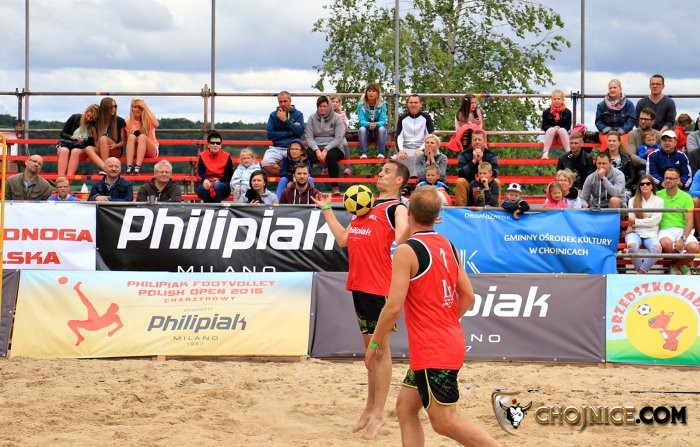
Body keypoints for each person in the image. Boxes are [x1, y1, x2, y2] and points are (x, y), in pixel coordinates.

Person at [364, 186, 501, 447]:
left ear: (409, 212)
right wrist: (446, 321)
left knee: (445, 422)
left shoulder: (406, 251)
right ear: (437, 216)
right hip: (446, 340)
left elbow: (393, 307)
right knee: (405, 408)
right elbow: (468, 296)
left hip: (432, 349)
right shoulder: (449, 245)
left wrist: (374, 343)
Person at [312, 160, 410, 440]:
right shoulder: (364, 205)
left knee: (381, 352)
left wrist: (414, 224)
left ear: (399, 181)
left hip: (380, 289)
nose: (380, 173)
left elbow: (402, 237)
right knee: (370, 353)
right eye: (381, 170)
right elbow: (344, 240)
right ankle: (369, 408)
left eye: (387, 172)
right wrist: (327, 210)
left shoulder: (396, 208)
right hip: (359, 286)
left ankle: (378, 413)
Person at [657, 168, 699, 275]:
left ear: (678, 180)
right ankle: (682, 266)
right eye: (666, 178)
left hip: (683, 230)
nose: (668, 180)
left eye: (672, 178)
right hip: (665, 230)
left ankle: (675, 266)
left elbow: (690, 222)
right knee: (666, 244)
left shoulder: (686, 197)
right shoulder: (657, 195)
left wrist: (683, 239)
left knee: (694, 248)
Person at [305, 95, 345, 195]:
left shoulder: (337, 117)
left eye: (324, 106)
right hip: (316, 145)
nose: (322, 108)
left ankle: (335, 186)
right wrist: (317, 150)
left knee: (331, 156)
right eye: (319, 106)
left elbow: (339, 137)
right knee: (307, 156)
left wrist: (326, 149)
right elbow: (309, 137)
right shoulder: (312, 118)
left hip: (334, 146)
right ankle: (307, 185)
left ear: (329, 106)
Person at [624, 175, 663, 274]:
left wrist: (636, 221)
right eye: (642, 184)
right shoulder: (632, 200)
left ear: (652, 186)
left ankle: (640, 272)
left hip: (651, 233)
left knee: (657, 250)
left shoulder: (659, 201)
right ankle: (641, 272)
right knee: (632, 247)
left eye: (647, 184)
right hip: (635, 232)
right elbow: (631, 219)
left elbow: (655, 221)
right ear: (639, 186)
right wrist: (646, 221)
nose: (645, 186)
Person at [263, 91, 305, 175]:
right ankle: (287, 175)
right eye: (280, 102)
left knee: (298, 165)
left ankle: (290, 177)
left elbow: (299, 132)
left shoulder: (298, 114)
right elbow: (269, 135)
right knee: (265, 162)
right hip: (276, 148)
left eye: (285, 101)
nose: (282, 104)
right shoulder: (273, 115)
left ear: (290, 101)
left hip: (292, 148)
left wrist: (285, 120)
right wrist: (290, 132)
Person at [455, 129, 499, 206]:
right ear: (471, 142)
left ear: (484, 141)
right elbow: (460, 174)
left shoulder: (492, 155)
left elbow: (494, 174)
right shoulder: (463, 155)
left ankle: (495, 209)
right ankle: (461, 210)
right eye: (474, 139)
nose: (477, 142)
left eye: (479, 139)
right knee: (460, 181)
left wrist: (481, 162)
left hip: (487, 184)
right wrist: (474, 161)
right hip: (469, 184)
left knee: (497, 181)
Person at [395, 94, 435, 177]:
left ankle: (420, 179)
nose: (413, 105)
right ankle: (405, 181)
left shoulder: (426, 117)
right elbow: (399, 136)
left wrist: (421, 149)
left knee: (422, 155)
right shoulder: (402, 118)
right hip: (406, 147)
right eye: (411, 102)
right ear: (408, 104)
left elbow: (430, 136)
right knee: (401, 156)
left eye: (416, 102)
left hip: (422, 146)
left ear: (420, 104)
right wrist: (401, 150)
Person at [84, 97, 127, 172]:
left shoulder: (120, 121)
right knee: (88, 148)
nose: (114, 109)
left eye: (115, 106)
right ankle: (106, 168)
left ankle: (106, 169)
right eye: (111, 107)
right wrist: (101, 144)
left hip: (115, 149)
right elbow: (96, 143)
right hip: (101, 149)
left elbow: (123, 141)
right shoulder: (96, 123)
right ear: (104, 108)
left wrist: (116, 145)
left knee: (103, 138)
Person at [56, 104, 99, 176]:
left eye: (92, 118)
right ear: (85, 112)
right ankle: (60, 178)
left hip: (81, 148)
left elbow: (92, 143)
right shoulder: (75, 117)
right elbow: (63, 134)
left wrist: (84, 141)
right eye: (87, 115)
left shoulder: (94, 125)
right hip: (67, 144)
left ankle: (69, 179)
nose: (88, 119)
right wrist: (72, 137)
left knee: (75, 151)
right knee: (64, 150)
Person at [594, 79, 636, 151]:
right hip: (606, 133)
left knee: (623, 142)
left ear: (620, 89)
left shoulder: (629, 104)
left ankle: (626, 158)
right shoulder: (601, 105)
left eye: (615, 87)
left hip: (624, 132)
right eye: (610, 88)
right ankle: (604, 157)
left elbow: (632, 120)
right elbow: (598, 122)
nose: (612, 90)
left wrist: (622, 130)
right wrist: (607, 130)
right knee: (608, 141)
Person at [195, 131, 233, 203]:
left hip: (222, 184)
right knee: (206, 188)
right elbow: (199, 173)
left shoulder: (227, 156)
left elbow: (230, 175)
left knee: (216, 186)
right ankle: (210, 209)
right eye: (212, 143)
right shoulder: (202, 156)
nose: (215, 145)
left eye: (218, 143)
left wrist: (219, 180)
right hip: (205, 183)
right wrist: (205, 180)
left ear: (221, 145)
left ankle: (214, 209)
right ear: (208, 144)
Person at [124, 97, 159, 174]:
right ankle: (129, 167)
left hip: (150, 149)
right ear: (132, 108)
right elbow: (127, 141)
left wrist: (145, 107)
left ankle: (137, 167)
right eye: (135, 107)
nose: (137, 109)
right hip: (136, 150)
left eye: (140, 107)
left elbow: (156, 124)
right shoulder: (127, 121)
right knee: (131, 137)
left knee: (142, 137)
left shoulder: (148, 119)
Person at [357, 83, 388, 159]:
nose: (371, 93)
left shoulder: (382, 104)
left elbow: (383, 121)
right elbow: (361, 121)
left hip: (378, 133)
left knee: (382, 129)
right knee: (362, 129)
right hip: (367, 132)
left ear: (377, 94)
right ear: (366, 93)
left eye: (373, 91)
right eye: (369, 91)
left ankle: (381, 153)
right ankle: (363, 154)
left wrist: (376, 124)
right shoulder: (361, 105)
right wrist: (368, 125)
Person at [605, 130, 636, 204]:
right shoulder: (601, 157)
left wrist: (621, 184)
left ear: (619, 142)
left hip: (623, 188)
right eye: (609, 141)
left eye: (614, 141)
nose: (611, 143)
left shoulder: (627, 158)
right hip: (605, 187)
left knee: (619, 199)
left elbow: (632, 177)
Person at [541, 89, 572, 159]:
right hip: (551, 137)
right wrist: (554, 128)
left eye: (558, 99)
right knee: (551, 130)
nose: (556, 100)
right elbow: (544, 126)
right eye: (554, 99)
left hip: (562, 137)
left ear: (562, 100)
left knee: (562, 130)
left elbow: (568, 127)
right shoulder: (546, 112)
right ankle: (545, 153)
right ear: (551, 100)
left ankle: (569, 153)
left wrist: (559, 129)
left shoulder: (567, 112)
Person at [330, 94, 352, 175]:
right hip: (329, 135)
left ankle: (347, 167)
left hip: (340, 135)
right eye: (332, 101)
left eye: (337, 102)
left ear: (339, 104)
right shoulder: (326, 113)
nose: (334, 103)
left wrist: (340, 135)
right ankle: (326, 167)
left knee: (345, 144)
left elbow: (345, 126)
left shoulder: (342, 114)